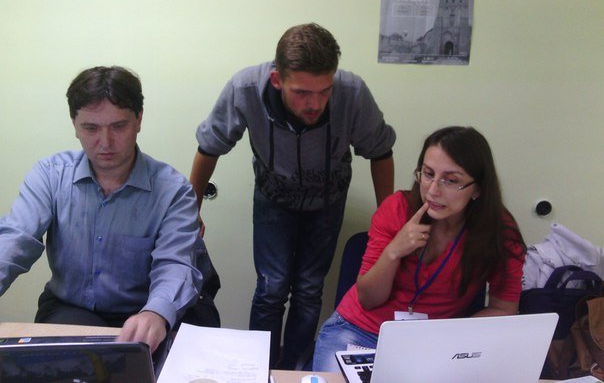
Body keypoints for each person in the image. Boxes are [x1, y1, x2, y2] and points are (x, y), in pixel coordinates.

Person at [190, 23, 396, 369]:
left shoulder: (352, 92)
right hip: (273, 197)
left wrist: (385, 219)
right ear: (277, 80)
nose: (315, 103)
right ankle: (262, 368)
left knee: (309, 289)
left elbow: (380, 152)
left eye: (324, 91)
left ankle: (295, 370)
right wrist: (191, 210)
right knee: (271, 288)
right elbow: (209, 147)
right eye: (302, 92)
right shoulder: (245, 88)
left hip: (327, 200)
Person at [0, 66, 205, 353]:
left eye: (118, 126)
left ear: (139, 120)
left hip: (144, 311)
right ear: (74, 124)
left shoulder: (173, 190)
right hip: (71, 308)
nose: (105, 142)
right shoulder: (50, 175)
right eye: (91, 128)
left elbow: (175, 263)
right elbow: (15, 239)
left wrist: (156, 312)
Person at [312, 126, 527, 372]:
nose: (433, 191)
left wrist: (452, 340)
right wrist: (394, 251)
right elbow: (368, 299)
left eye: (451, 180)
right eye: (428, 174)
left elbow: (503, 308)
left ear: (478, 188)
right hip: (361, 331)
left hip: (436, 344)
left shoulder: (500, 232)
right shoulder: (397, 209)